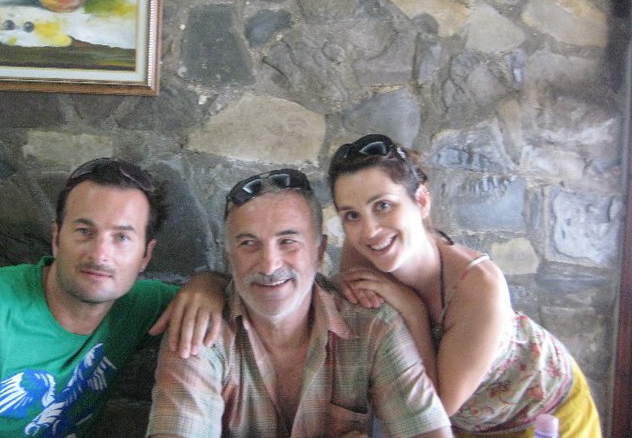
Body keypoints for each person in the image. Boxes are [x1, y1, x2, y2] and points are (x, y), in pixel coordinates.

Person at [0, 158, 225, 437]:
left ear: (145, 255)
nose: (100, 254)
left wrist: (209, 284)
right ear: (56, 238)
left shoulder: (144, 306)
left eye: (122, 237)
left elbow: (234, 297)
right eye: (84, 231)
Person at [328, 133, 602, 437]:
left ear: (421, 201)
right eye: (351, 215)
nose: (369, 230)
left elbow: (435, 410)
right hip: (466, 425)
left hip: (543, 414)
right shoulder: (362, 252)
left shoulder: (478, 285)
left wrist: (412, 310)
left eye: (383, 205)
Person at [147, 168, 452, 438]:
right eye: (249, 244)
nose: (269, 265)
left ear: (319, 252)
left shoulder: (374, 325)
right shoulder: (199, 331)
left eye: (288, 242)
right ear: (230, 257)